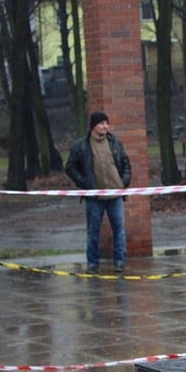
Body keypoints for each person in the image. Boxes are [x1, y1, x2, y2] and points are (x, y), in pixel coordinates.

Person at [65, 111, 132, 274]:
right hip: (94, 196)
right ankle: (93, 263)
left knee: (119, 230)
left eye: (106, 123)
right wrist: (84, 183)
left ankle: (120, 262)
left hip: (115, 194)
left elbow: (126, 164)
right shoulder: (81, 146)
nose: (105, 126)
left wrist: (123, 182)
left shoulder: (115, 143)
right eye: (102, 123)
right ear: (93, 126)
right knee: (93, 231)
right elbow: (70, 167)